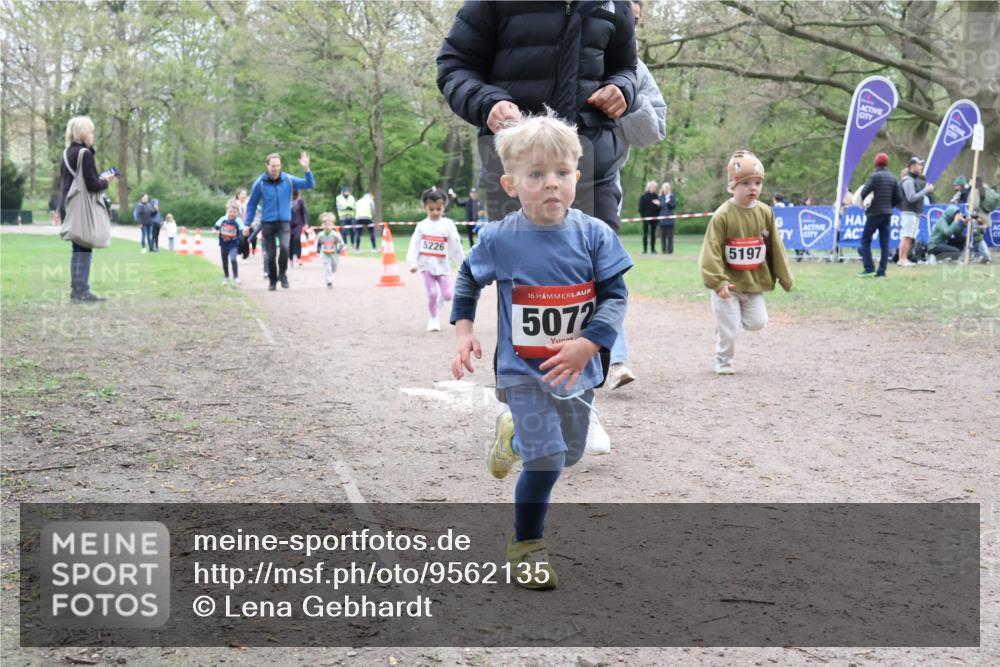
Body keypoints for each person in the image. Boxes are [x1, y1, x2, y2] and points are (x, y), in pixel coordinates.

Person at [450, 112, 632, 589]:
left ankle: (511, 436)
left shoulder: (594, 235)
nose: (552, 184)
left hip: (577, 371)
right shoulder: (501, 239)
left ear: (576, 175)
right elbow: (469, 276)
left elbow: (616, 296)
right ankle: (526, 544)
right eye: (536, 175)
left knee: (570, 454)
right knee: (547, 459)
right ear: (511, 183)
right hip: (522, 374)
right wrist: (465, 329)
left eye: (562, 173)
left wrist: (588, 344)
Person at [437, 0, 637, 228]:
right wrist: (488, 103)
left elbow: (626, 68)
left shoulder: (618, 4)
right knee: (517, 262)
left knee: (598, 262)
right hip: (514, 175)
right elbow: (454, 66)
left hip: (592, 170)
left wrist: (621, 88)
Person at [698, 150, 793, 375]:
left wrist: (785, 277)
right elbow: (710, 250)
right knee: (730, 329)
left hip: (753, 283)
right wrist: (718, 281)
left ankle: (728, 325)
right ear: (733, 185)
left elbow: (776, 248)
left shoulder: (765, 212)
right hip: (727, 286)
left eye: (758, 183)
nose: (753, 188)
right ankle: (723, 361)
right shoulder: (723, 215)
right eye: (746, 183)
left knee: (758, 322)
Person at [58, 115, 115, 303]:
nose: (92, 135)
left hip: (68, 205)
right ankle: (82, 291)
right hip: (81, 208)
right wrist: (105, 181)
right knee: (84, 249)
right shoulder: (85, 154)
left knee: (77, 249)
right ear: (83, 133)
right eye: (90, 131)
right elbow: (92, 184)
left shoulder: (66, 153)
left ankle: (76, 290)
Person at [245, 152, 315, 290]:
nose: (275, 168)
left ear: (280, 166)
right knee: (270, 255)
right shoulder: (260, 183)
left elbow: (309, 184)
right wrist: (247, 223)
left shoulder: (288, 179)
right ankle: (272, 280)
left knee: (284, 248)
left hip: (284, 222)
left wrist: (306, 169)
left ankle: (282, 275)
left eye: (277, 166)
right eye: (272, 166)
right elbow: (252, 204)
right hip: (267, 223)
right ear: (267, 166)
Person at [407, 188, 465, 332]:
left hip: (443, 267)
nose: (435, 212)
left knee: (447, 295)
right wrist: (413, 262)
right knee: (432, 293)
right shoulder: (421, 226)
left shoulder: (448, 225)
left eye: (438, 209)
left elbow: (455, 244)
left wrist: (461, 263)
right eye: (431, 209)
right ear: (425, 207)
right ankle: (433, 318)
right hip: (426, 266)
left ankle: (439, 300)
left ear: (444, 207)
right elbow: (414, 244)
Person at [856, 152, 902, 278]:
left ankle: (869, 268)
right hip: (887, 213)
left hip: (874, 213)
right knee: (884, 243)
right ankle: (882, 271)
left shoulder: (874, 176)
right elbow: (898, 198)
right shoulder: (892, 177)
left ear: (875, 163)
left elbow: (864, 192)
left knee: (865, 240)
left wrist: (866, 203)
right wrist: (888, 205)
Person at [897, 156, 934, 267]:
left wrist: (919, 212)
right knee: (907, 236)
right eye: (919, 165)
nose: (921, 167)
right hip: (909, 213)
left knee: (909, 236)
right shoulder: (908, 181)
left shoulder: (912, 180)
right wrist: (926, 190)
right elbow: (911, 198)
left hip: (912, 213)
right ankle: (902, 259)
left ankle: (903, 258)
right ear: (912, 166)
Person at [214, 203, 244, 286]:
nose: (232, 214)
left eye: (234, 212)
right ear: (227, 212)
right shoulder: (222, 219)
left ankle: (236, 277)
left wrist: (243, 235)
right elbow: (215, 227)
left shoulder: (238, 221)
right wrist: (214, 230)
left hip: (233, 244)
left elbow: (242, 230)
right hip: (223, 243)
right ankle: (226, 277)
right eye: (230, 212)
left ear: (237, 213)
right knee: (225, 261)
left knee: (233, 259)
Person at [316, 212, 345, 288]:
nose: (327, 226)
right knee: (327, 269)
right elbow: (318, 243)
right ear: (322, 225)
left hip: (334, 254)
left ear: (332, 225)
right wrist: (318, 249)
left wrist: (339, 249)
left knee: (333, 269)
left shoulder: (335, 234)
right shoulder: (320, 235)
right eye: (325, 224)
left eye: (329, 224)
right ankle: (329, 282)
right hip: (325, 254)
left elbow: (341, 243)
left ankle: (330, 277)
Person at [638, 181, 660, 254]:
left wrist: (658, 206)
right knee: (645, 234)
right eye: (653, 187)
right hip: (646, 218)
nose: (654, 188)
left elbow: (659, 208)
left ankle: (653, 249)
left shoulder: (656, 196)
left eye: (655, 187)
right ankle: (644, 249)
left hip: (654, 218)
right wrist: (643, 216)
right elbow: (640, 208)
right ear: (649, 187)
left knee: (653, 234)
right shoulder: (644, 196)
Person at [657, 181, 677, 254]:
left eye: (666, 188)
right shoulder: (660, 197)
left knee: (670, 236)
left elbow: (673, 206)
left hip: (670, 220)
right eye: (664, 188)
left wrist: (669, 202)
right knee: (663, 236)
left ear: (669, 189)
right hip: (662, 220)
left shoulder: (672, 196)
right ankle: (663, 250)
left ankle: (670, 250)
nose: (665, 190)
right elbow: (659, 207)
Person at [289, 189, 307, 267]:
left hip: (298, 224)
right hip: (288, 225)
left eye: (293, 194)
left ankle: (298, 258)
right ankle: (290, 259)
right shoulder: (286, 202)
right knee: (290, 242)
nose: (292, 196)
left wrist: (305, 223)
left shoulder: (300, 202)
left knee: (297, 239)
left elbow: (304, 213)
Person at [336, 185, 356, 251]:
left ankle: (353, 244)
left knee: (353, 231)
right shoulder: (338, 198)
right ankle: (344, 244)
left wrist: (351, 208)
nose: (347, 193)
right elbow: (339, 207)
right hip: (343, 217)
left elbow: (354, 206)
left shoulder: (352, 197)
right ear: (342, 192)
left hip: (351, 216)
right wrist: (346, 208)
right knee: (344, 231)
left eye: (348, 192)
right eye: (345, 192)